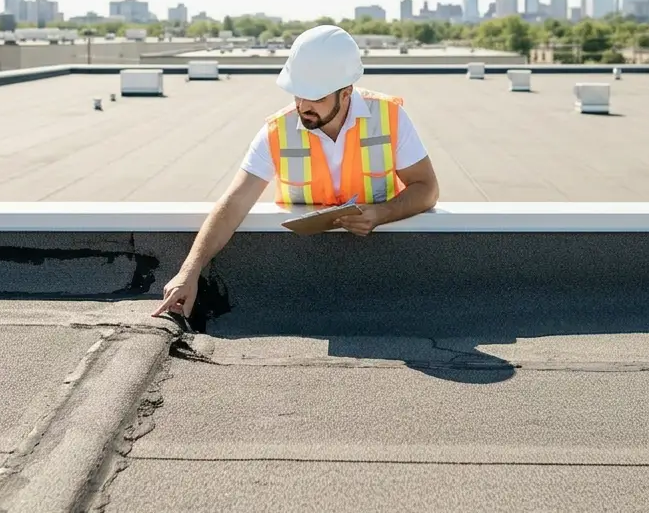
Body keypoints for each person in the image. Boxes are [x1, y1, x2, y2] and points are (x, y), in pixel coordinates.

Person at [153, 24, 440, 318]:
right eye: (297, 95)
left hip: (381, 275)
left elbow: (427, 189)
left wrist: (381, 214)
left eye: (315, 97)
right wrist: (188, 272)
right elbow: (234, 203)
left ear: (346, 93)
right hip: (300, 281)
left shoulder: (389, 117)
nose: (303, 106)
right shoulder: (278, 131)